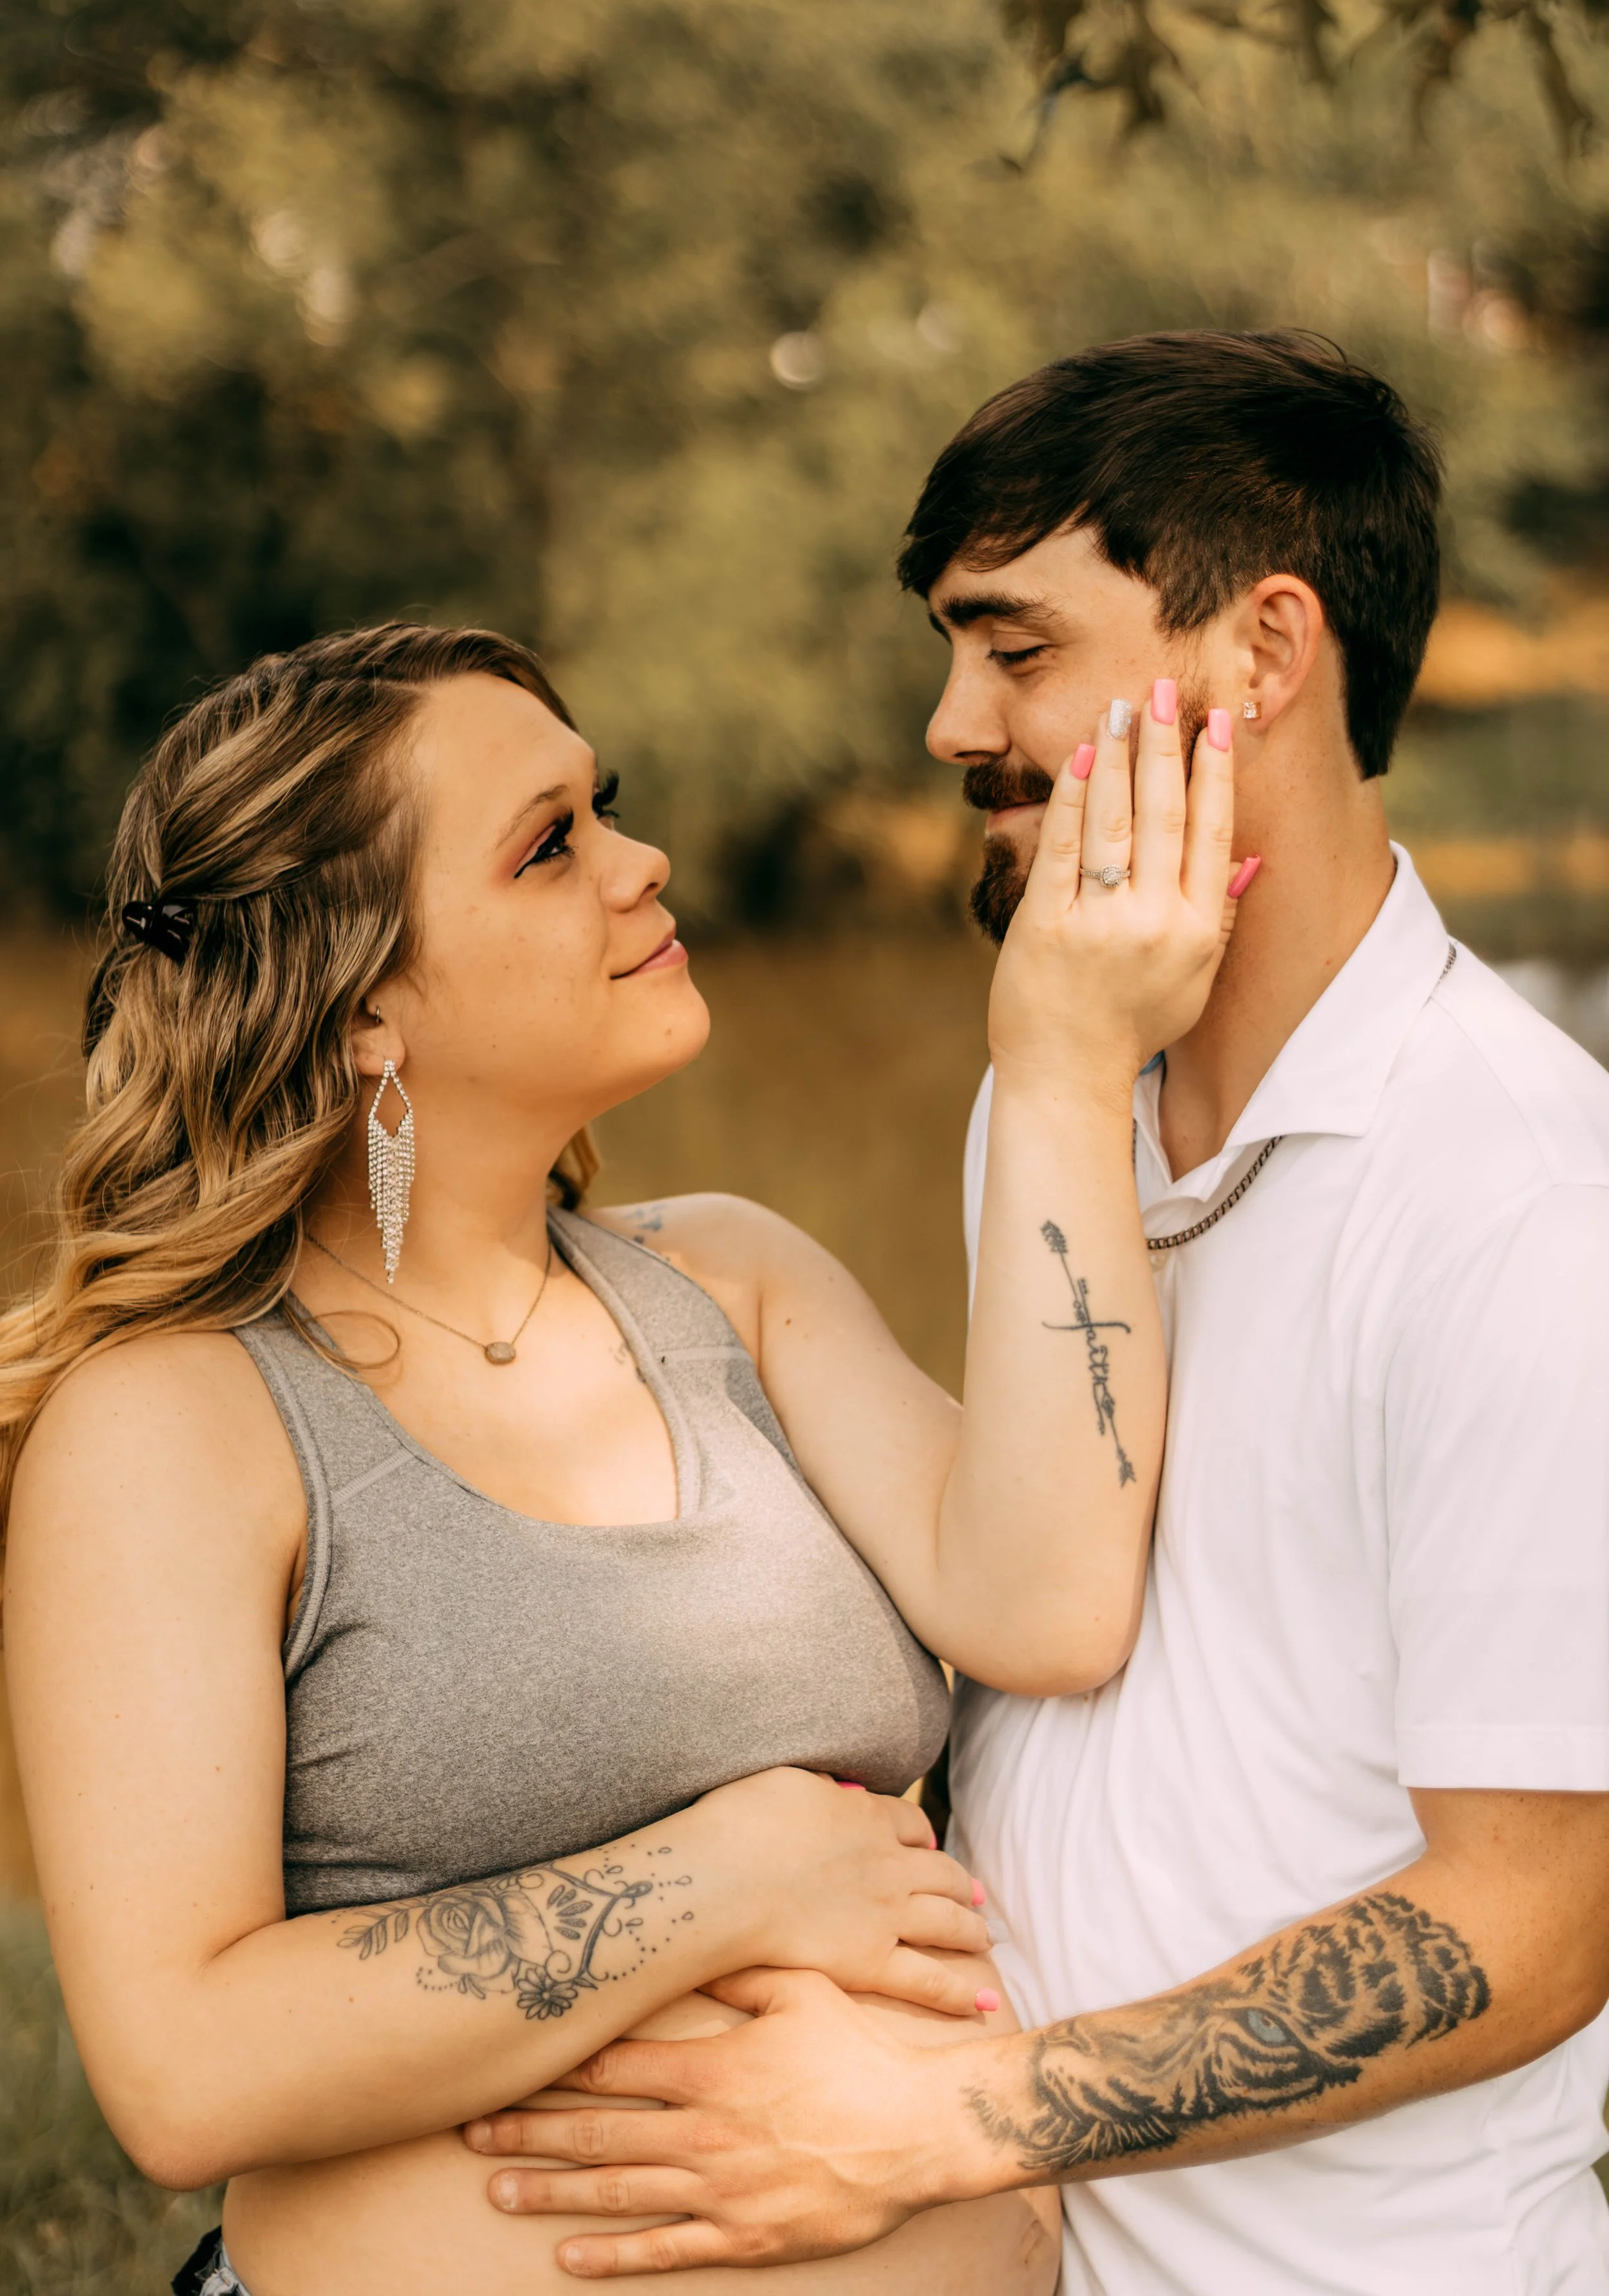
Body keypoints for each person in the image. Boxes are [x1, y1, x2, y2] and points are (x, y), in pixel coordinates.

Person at [462, 331, 1609, 2296]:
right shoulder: (1051, 1083)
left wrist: (949, 2111)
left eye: (1014, 649)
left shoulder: (1518, 1193)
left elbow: (1536, 1914)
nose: (945, 721)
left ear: (1260, 654)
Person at [2, 620, 1242, 2296]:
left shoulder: (730, 1275)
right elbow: (181, 2066)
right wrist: (726, 1877)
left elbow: (1047, 1596)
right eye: (549, 843)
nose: (644, 861)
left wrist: (1062, 1064)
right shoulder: (179, 1420)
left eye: (610, 805)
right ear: (365, 1005)